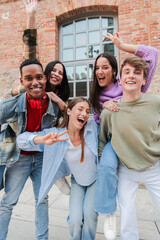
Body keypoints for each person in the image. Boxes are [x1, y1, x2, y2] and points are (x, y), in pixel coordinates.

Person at [90, 32, 159, 239]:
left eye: (105, 67)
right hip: (115, 141)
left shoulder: (127, 84)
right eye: (97, 68)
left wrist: (122, 45)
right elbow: (98, 126)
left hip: (149, 158)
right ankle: (108, 212)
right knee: (107, 167)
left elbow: (152, 54)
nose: (100, 71)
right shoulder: (97, 95)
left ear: (114, 73)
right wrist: (105, 108)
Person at [5, 0, 71, 195]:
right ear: (46, 72)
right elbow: (30, 50)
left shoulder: (60, 95)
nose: (57, 74)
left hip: (45, 142)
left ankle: (58, 172)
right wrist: (31, 16)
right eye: (54, 70)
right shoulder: (35, 85)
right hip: (21, 138)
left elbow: (68, 115)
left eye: (61, 72)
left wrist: (59, 101)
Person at [17, 97, 99, 240]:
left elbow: (110, 126)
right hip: (78, 182)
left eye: (87, 111)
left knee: (90, 216)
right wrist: (41, 140)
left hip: (95, 180)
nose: (84, 114)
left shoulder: (92, 127)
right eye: (80, 109)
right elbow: (21, 140)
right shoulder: (56, 134)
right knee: (75, 221)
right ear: (69, 111)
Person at [0, 59, 62, 240]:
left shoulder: (53, 105)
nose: (35, 82)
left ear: (45, 78)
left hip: (42, 159)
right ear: (21, 81)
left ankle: (42, 238)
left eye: (39, 77)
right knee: (8, 203)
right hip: (18, 159)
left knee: (42, 200)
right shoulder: (10, 105)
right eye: (28, 78)